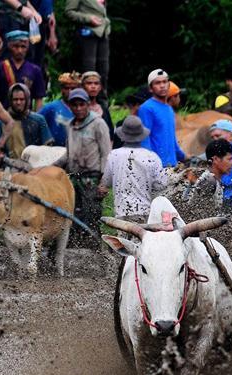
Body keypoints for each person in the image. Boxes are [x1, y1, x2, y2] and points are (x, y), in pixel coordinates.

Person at [98, 116, 166, 223]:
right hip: (146, 212)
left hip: (122, 212)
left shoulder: (114, 155)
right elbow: (161, 185)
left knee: (124, 239)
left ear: (122, 136)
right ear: (142, 135)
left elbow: (105, 182)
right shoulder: (152, 157)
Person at [65, 87, 110, 248]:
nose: (78, 108)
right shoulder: (70, 125)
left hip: (92, 178)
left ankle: (95, 253)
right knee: (73, 216)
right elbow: (68, 153)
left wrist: (104, 182)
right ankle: (74, 251)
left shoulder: (98, 123)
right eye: (74, 105)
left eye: (81, 104)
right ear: (70, 106)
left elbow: (106, 154)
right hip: (74, 177)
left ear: (87, 105)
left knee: (92, 216)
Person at [0, 29, 46, 110]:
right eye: (16, 46)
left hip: (26, 118)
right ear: (9, 46)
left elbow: (39, 99)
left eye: (23, 47)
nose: (19, 50)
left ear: (27, 48)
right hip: (3, 117)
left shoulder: (35, 70)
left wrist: (36, 119)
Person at [0, 83, 52, 159]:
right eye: (15, 99)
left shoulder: (39, 120)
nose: (18, 102)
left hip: (34, 166)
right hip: (9, 167)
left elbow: (48, 147)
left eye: (22, 99)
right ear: (10, 100)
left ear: (27, 100)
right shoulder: (2, 122)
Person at [138, 68, 185, 167]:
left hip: (173, 165)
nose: (162, 85)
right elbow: (144, 139)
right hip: (157, 166)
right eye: (158, 83)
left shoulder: (169, 109)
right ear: (151, 88)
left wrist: (183, 156)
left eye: (165, 82)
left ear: (168, 85)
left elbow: (172, 138)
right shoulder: (147, 108)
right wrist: (151, 165)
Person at [64, 0, 109, 91]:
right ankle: (83, 100)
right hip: (86, 34)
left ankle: (102, 102)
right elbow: (69, 12)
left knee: (103, 71)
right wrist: (88, 18)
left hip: (103, 33)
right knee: (88, 72)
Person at [38, 71, 79, 146]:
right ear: (61, 89)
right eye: (66, 88)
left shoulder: (82, 109)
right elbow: (37, 122)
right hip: (54, 152)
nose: (70, 91)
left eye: (73, 88)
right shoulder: (51, 107)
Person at [192, 139, 232, 207]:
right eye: (229, 159)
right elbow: (198, 213)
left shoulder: (216, 180)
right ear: (215, 159)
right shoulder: (209, 181)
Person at [80, 70, 112, 137]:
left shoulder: (104, 110)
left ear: (100, 88)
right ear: (82, 87)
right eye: (89, 83)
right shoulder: (77, 109)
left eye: (96, 83)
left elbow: (110, 134)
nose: (93, 86)